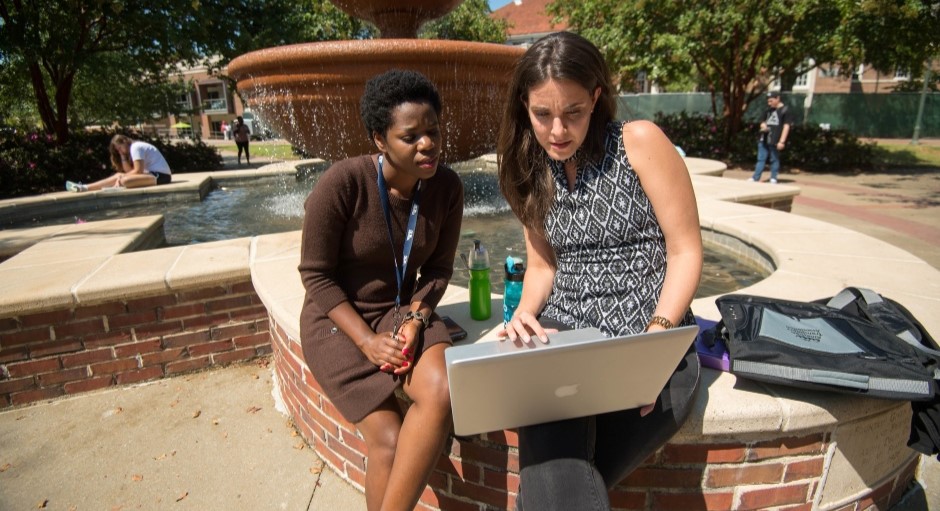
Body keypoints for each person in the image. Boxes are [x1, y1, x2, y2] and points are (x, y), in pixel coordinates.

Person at [496, 32, 702, 510]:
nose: (557, 131)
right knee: (559, 485)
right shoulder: (529, 164)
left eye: (573, 112)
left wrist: (655, 340)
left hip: (653, 343)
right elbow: (544, 264)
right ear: (524, 106)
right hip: (565, 339)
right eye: (542, 114)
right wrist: (525, 314)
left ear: (596, 98)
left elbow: (686, 251)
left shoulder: (639, 143)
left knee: (548, 490)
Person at [297, 69, 463, 511]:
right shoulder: (343, 183)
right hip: (337, 320)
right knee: (388, 439)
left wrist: (416, 317)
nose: (427, 144)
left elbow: (439, 269)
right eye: (411, 137)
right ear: (379, 139)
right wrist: (366, 341)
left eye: (433, 132)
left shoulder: (446, 187)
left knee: (442, 389)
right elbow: (315, 275)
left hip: (400, 313)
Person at [65, 135, 172, 192]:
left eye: (120, 148)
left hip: (162, 176)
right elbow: (130, 171)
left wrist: (121, 179)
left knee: (124, 179)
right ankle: (84, 187)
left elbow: (138, 170)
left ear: (125, 141)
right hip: (153, 174)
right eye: (117, 150)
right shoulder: (132, 149)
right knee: (119, 175)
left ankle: (113, 185)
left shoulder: (136, 147)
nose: (120, 151)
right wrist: (123, 156)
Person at [749, 90, 793, 184]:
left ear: (778, 98)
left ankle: (773, 178)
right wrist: (763, 125)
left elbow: (786, 126)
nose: (769, 103)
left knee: (774, 158)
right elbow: (762, 121)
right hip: (763, 138)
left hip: (775, 139)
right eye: (768, 101)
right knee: (761, 158)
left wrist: (782, 141)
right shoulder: (768, 110)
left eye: (771, 101)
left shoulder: (785, 111)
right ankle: (755, 177)